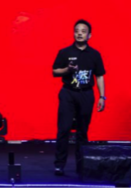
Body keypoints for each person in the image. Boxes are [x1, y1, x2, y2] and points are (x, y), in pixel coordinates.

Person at [52, 19, 106, 175]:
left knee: (82, 131)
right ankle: (59, 164)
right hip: (68, 93)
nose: (79, 34)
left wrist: (102, 97)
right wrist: (67, 70)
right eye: (76, 31)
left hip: (86, 94)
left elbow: (99, 76)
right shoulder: (64, 52)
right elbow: (55, 72)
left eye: (83, 31)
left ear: (89, 35)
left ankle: (82, 165)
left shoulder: (95, 54)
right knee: (64, 129)